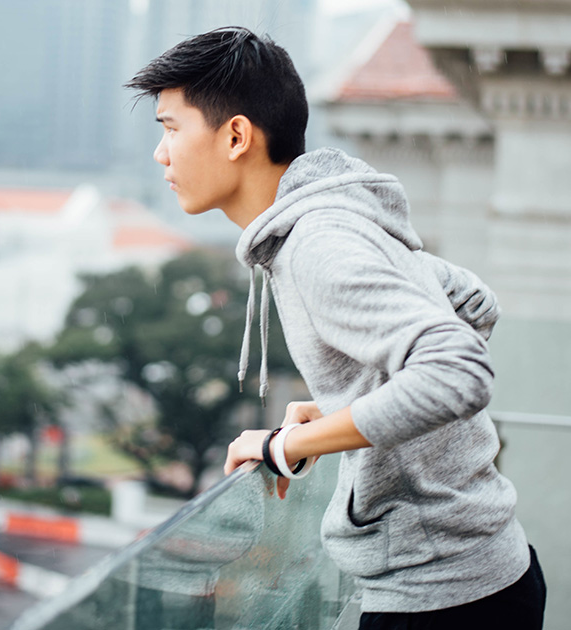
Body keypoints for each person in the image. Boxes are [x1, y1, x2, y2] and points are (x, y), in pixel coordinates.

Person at [125, 27, 546, 629]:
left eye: (171, 128)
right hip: (486, 575)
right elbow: (473, 303)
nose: (162, 154)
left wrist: (287, 445)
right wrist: (348, 407)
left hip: (442, 598)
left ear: (237, 135)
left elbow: (459, 370)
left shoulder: (317, 246)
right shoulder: (336, 223)